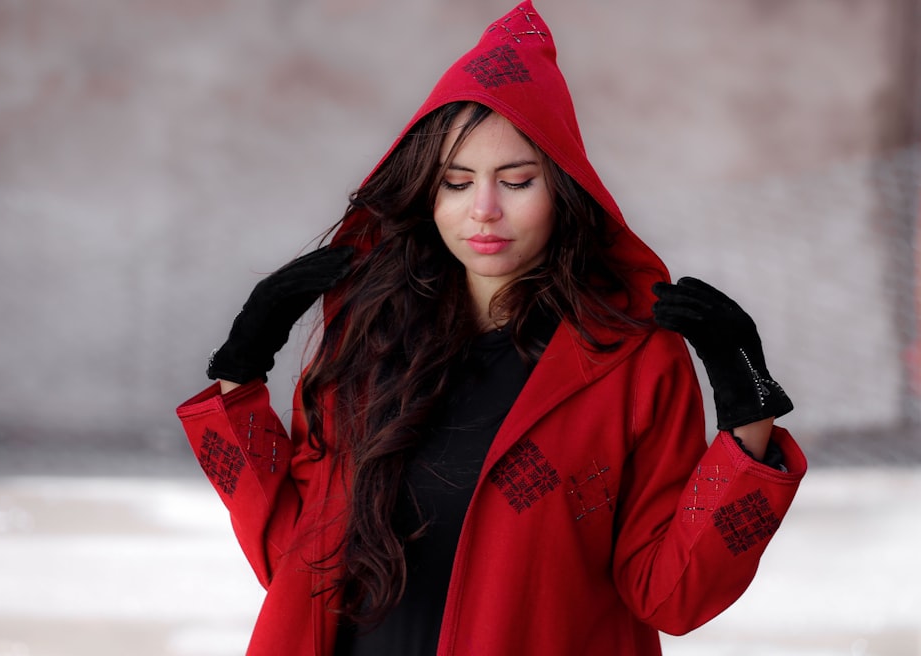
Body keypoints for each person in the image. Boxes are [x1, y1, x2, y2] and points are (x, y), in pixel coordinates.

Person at [176, 3, 806, 654]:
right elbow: (294, 561)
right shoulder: (371, 341)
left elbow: (671, 595)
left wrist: (746, 422)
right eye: (456, 182)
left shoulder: (630, 362)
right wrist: (239, 373)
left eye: (516, 180)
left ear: (564, 189)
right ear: (428, 192)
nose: (484, 210)